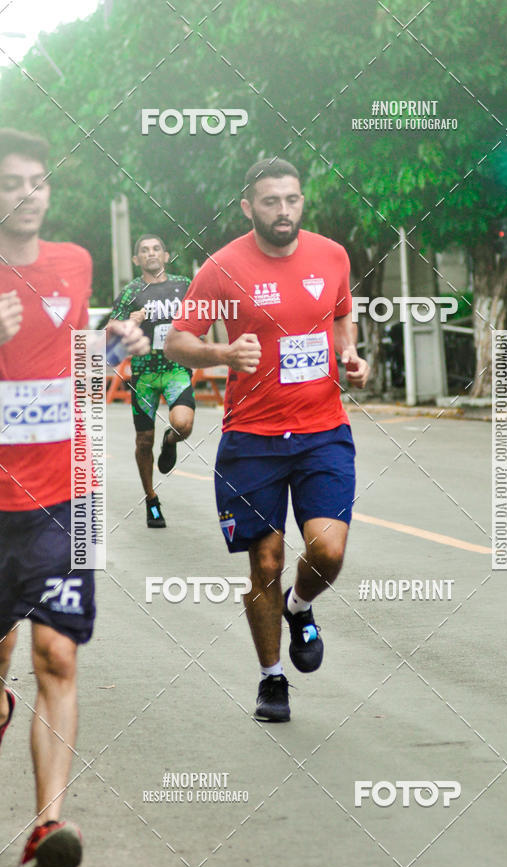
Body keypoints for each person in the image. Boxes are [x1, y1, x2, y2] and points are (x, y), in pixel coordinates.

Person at [164, 158, 369, 722]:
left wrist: (349, 354)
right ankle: (272, 679)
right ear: (248, 207)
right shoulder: (222, 268)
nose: (284, 210)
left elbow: (340, 319)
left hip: (322, 430)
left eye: (292, 199)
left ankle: (299, 607)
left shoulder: (331, 256)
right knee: (265, 561)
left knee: (327, 549)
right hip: (251, 438)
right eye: (271, 201)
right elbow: (177, 342)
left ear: (303, 201)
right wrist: (223, 353)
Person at [0, 128, 148, 867]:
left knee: (58, 654)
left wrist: (115, 344)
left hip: (62, 497)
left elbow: (75, 361)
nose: (26, 196)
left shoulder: (74, 263)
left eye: (37, 182)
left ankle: (46, 824)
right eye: (10, 184)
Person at [109, 235, 195, 528]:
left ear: (166, 255)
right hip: (143, 374)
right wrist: (129, 323)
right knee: (144, 440)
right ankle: (151, 499)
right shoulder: (131, 291)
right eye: (144, 250)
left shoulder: (184, 285)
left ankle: (170, 442)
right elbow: (110, 332)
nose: (151, 253)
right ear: (136, 260)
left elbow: (203, 315)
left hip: (176, 369)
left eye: (156, 248)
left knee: (183, 424)